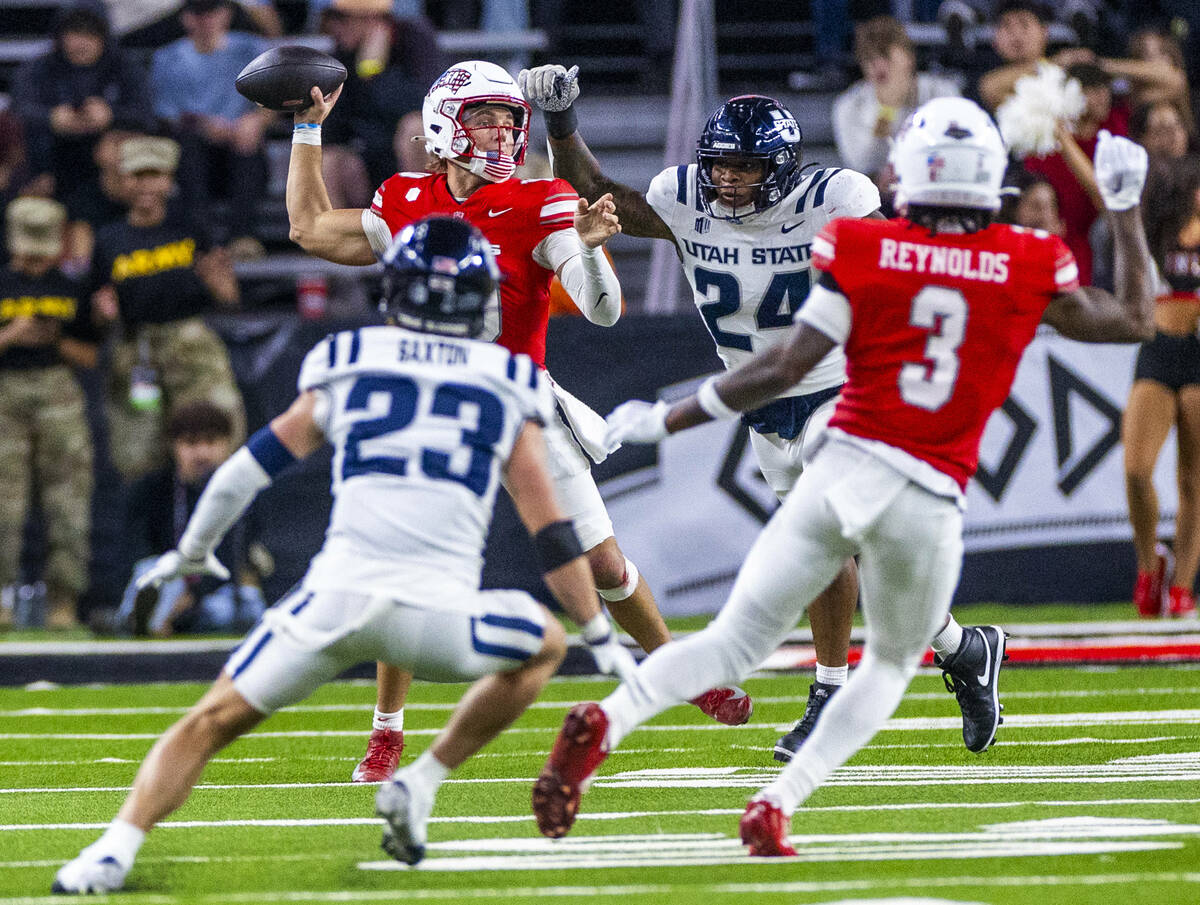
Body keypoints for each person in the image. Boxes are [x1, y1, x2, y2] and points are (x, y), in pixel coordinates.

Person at [528, 99, 1157, 853]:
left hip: (840, 432)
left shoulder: (863, 243)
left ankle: (617, 717)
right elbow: (1133, 322)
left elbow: (789, 361)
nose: (729, 180)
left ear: (906, 176)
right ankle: (811, 774)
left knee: (736, 636)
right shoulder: (1020, 255)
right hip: (921, 478)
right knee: (889, 659)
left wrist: (665, 418)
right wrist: (1122, 209)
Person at [50, 216, 638, 893]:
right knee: (545, 641)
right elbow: (552, 532)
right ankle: (423, 779)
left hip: (333, 604)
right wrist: (598, 631)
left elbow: (246, 469)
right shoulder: (513, 380)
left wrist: (191, 550)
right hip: (439, 618)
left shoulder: (347, 357)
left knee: (209, 721)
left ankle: (111, 850)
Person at [519, 63, 1004, 761]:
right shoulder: (683, 198)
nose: (727, 181)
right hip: (764, 401)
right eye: (719, 167)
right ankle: (962, 646)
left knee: (824, 529)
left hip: (845, 384)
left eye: (745, 169)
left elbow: (902, 253)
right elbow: (600, 193)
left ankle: (830, 690)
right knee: (863, 549)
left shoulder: (836, 198)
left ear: (780, 167)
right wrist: (563, 124)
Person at [286, 60, 750, 784]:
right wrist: (307, 129)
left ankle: (676, 667)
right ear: (444, 125)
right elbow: (311, 228)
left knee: (601, 562)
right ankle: (386, 732)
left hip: (519, 399)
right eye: (486, 120)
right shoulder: (406, 197)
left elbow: (602, 308)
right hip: (435, 406)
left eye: (510, 121)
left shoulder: (541, 199)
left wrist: (592, 250)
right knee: (406, 565)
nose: (503, 134)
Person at [90, 135, 244, 482]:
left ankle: (231, 536)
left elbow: (228, 298)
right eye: (137, 176)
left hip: (192, 347)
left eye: (155, 175)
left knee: (216, 445)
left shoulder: (191, 226)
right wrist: (103, 313)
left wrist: (224, 289)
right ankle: (154, 537)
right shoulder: (108, 239)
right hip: (137, 353)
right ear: (123, 180)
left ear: (169, 179)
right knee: (140, 460)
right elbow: (97, 311)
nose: (146, 185)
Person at [0, 198, 100, 631]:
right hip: (6, 394)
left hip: (60, 394)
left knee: (68, 504)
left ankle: (64, 602)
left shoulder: (72, 287)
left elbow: (91, 356)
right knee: (4, 504)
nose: (33, 261)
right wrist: (13, 334)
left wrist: (54, 340)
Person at [1122, 154, 1200, 620]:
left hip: (1199, 356)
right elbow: (1105, 199)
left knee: (1192, 479)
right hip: (1158, 348)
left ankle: (1183, 584)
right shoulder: (1158, 230)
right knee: (1136, 469)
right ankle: (1151, 564)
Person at [118, 401, 268, 636]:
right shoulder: (150, 490)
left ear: (227, 444)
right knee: (149, 572)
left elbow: (234, 559)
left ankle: (155, 623)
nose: (202, 453)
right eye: (191, 443)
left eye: (210, 442)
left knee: (244, 604)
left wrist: (192, 596)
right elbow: (135, 552)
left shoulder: (240, 493)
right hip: (167, 580)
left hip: (213, 591)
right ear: (173, 446)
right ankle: (144, 619)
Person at [150, 0, 272, 257]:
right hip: (195, 151)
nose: (205, 21)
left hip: (241, 148)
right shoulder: (167, 58)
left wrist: (258, 120)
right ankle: (200, 237)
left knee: (248, 145)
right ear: (186, 18)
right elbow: (166, 116)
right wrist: (204, 126)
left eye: (212, 13)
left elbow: (280, 95)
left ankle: (242, 236)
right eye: (197, 14)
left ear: (226, 14)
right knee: (188, 147)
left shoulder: (252, 48)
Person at [9, 3, 152, 200]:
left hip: (106, 168)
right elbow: (15, 111)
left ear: (104, 37)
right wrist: (51, 118)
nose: (82, 43)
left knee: (117, 148)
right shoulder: (37, 69)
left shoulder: (126, 68)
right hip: (48, 161)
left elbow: (147, 115)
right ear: (60, 36)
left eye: (91, 35)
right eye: (75, 34)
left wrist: (111, 116)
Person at [832, 17, 961, 180]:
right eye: (869, 58)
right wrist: (887, 110)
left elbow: (957, 148)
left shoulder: (942, 92)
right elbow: (863, 164)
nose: (878, 66)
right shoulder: (849, 105)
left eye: (885, 54)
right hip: (879, 198)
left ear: (909, 57)